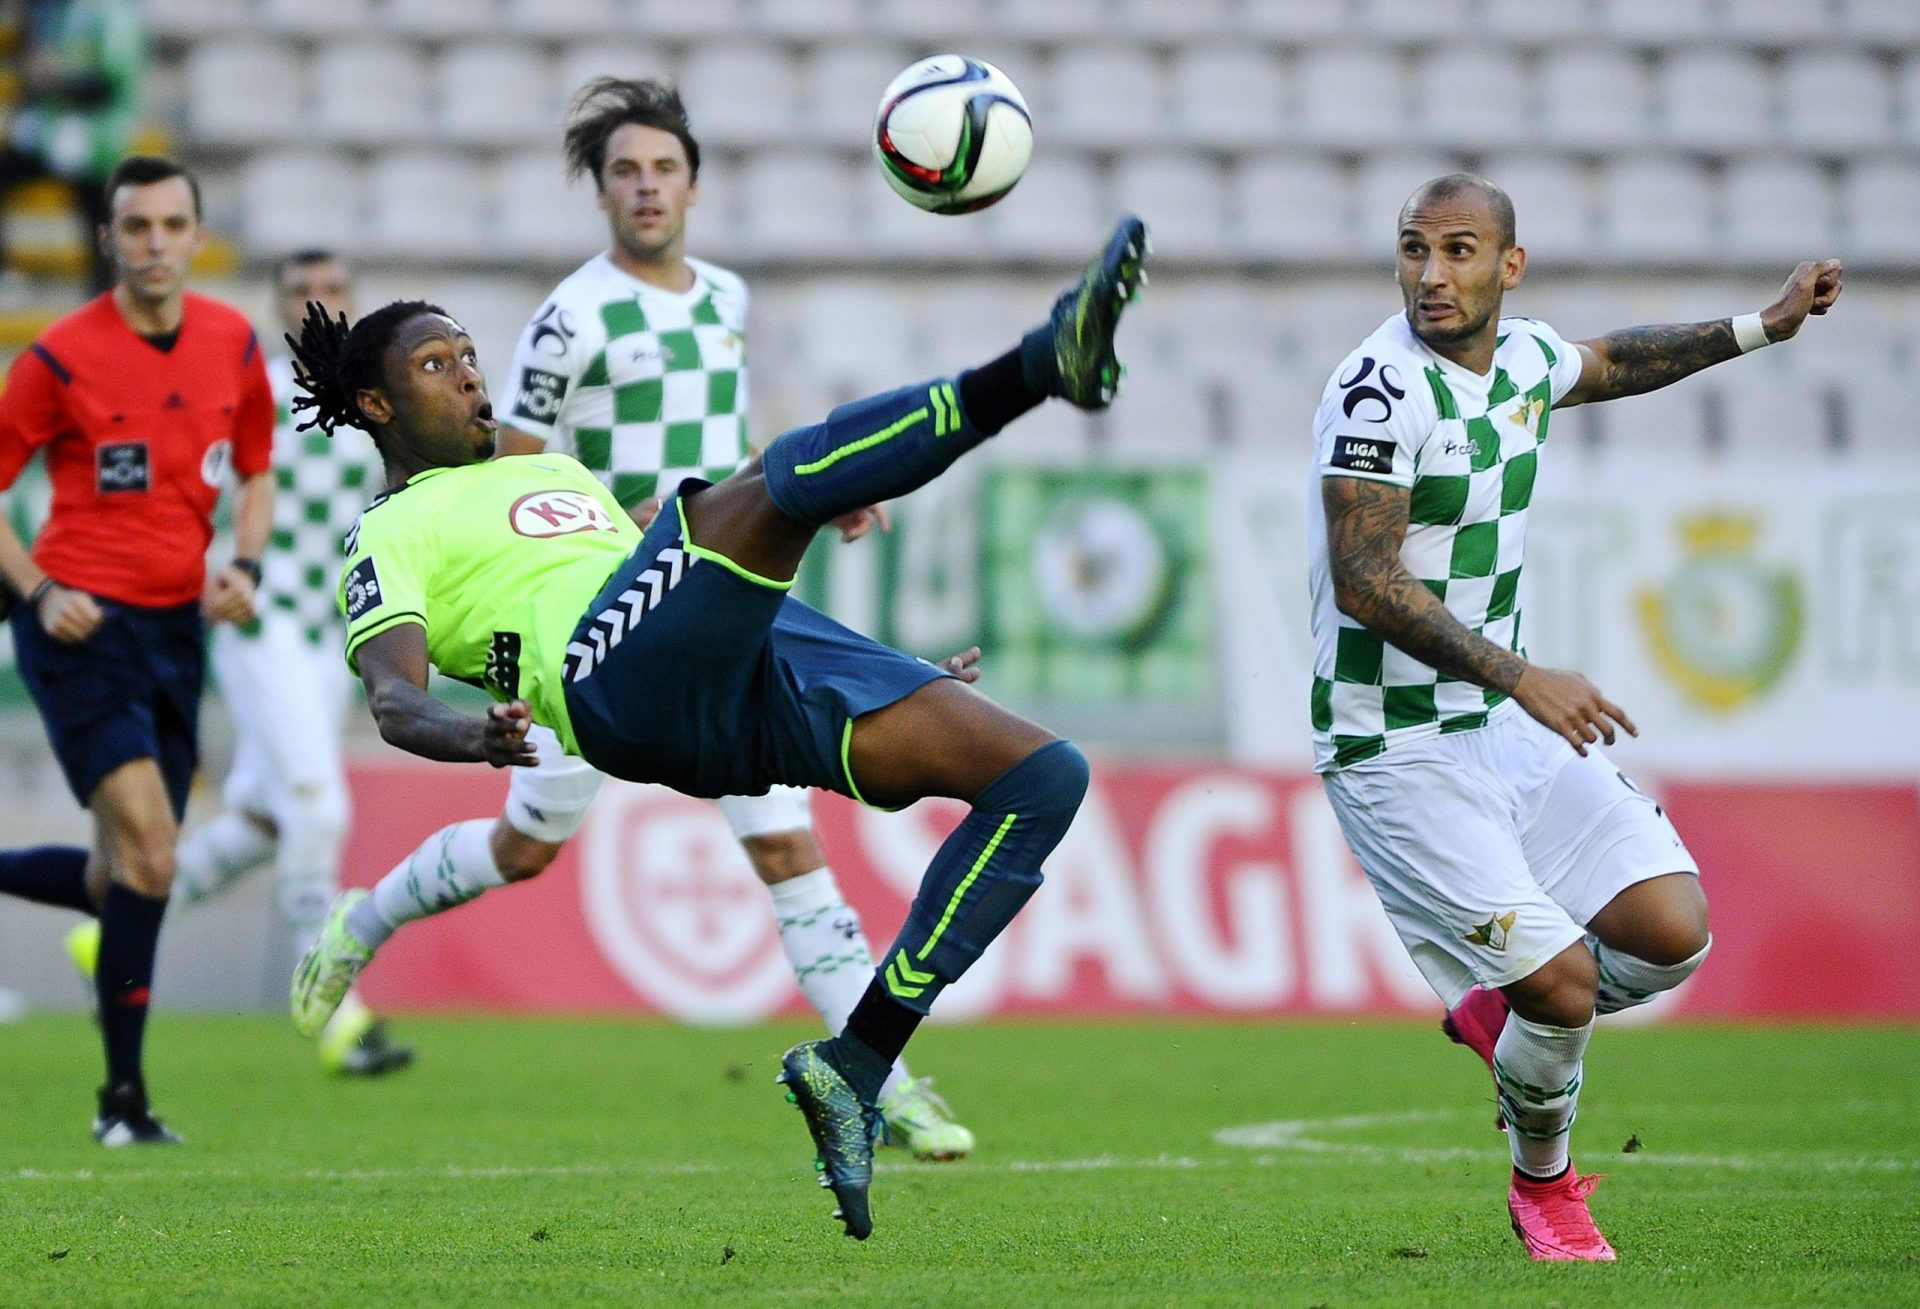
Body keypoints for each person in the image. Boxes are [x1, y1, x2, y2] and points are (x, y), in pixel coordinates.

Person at [287, 213, 1147, 1239]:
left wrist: (883, 661)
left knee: (1042, 777)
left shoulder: (552, 471)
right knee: (778, 475)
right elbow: (393, 696)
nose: (472, 378)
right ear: (378, 403)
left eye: (472, 356)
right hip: (614, 684)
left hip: (727, 667)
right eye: (438, 364)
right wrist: (472, 734)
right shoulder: (386, 532)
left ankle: (857, 1063)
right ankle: (1046, 361)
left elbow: (684, 568)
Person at [335, 78, 966, 1156]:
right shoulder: (569, 318)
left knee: (783, 847)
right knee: (526, 846)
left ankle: (885, 1080)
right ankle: (365, 919)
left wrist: (806, 492)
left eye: (663, 168)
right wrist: (604, 541)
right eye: (624, 170)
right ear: (601, 191)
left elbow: (730, 453)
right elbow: (501, 467)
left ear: (693, 185)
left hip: (702, 590)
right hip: (584, 618)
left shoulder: (724, 297)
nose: (645, 187)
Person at [1307, 172, 1842, 1261]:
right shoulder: (1376, 390)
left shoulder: (1523, 362)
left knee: (1671, 932)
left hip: (1496, 729)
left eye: (1459, 251)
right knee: (1560, 985)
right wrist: (1520, 676)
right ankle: (1544, 1185)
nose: (1431, 274)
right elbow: (1363, 579)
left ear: (1510, 267)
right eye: (1414, 249)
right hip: (1391, 741)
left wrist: (1763, 326)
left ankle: (1511, 1031)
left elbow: (1610, 362)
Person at [65, 250, 412, 1076]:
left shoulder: (382, 399)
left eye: (332, 289)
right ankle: (333, 1009)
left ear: (354, 302)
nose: (317, 303)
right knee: (316, 806)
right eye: (300, 292)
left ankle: (107, 937)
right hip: (261, 620)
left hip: (335, 635)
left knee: (264, 816)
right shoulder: (239, 386)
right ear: (278, 305)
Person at [0, 154, 275, 1144]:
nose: (154, 243)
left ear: (196, 235)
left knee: (119, 878)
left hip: (175, 631)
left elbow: (254, 470)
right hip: (82, 629)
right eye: (135, 226)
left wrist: (241, 562)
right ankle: (123, 1101)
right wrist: (37, 590)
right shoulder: (60, 357)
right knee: (157, 855)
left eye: (171, 225)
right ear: (108, 238)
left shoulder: (233, 344)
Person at [0, 0, 144, 293]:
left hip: (95, 141)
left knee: (99, 222)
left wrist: (59, 80)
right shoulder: (53, 12)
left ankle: (103, 299)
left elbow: (109, 83)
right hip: (50, 136)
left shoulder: (113, 15)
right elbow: (34, 72)